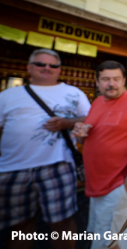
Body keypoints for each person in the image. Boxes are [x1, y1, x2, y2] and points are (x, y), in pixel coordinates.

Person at [0, 49, 90, 249]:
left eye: (53, 65)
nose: (47, 68)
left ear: (59, 70)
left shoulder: (74, 93)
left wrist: (67, 123)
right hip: (13, 167)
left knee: (62, 222)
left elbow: (90, 119)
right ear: (29, 68)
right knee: (20, 224)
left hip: (57, 165)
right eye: (41, 64)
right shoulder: (8, 95)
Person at [72, 61, 127, 249]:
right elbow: (86, 140)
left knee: (113, 239)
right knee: (100, 232)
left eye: (117, 79)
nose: (111, 83)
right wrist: (80, 133)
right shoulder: (98, 102)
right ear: (97, 81)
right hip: (96, 184)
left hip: (118, 183)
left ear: (124, 80)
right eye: (106, 79)